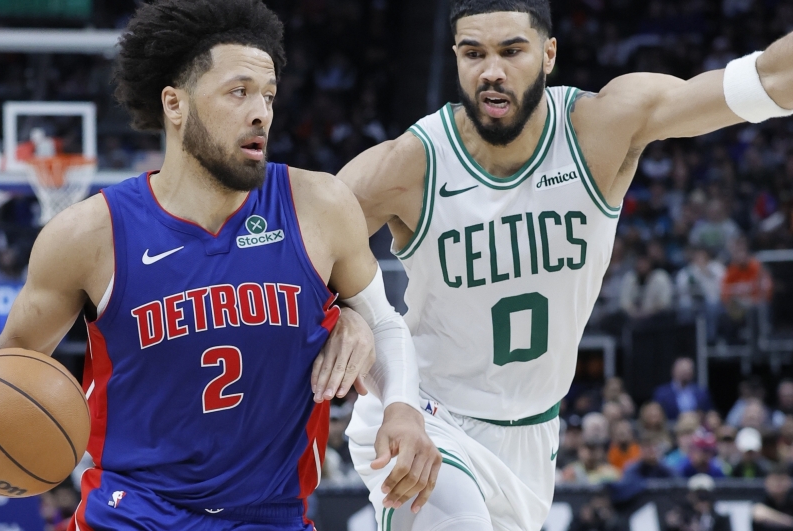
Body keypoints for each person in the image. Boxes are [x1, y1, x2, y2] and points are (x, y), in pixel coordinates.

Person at [0, 1, 441, 530]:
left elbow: (383, 322)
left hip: (270, 517)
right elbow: (13, 356)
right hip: (130, 515)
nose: (261, 111)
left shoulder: (319, 206)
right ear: (175, 103)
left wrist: (400, 407)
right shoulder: (87, 236)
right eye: (238, 92)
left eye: (268, 95)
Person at [337, 0, 793, 526]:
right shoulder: (410, 163)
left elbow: (765, 80)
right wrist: (348, 316)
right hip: (424, 415)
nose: (492, 71)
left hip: (534, 435)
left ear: (549, 53)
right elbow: (304, 244)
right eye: (473, 53)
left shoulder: (601, 129)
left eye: (512, 51)